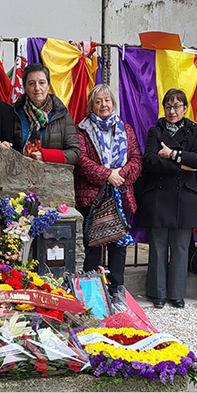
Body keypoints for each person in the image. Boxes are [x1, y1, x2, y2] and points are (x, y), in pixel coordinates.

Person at [139, 89, 197, 308]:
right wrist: (182, 165)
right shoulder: (155, 130)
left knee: (180, 246)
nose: (172, 111)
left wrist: (171, 154)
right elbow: (148, 161)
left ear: (185, 108)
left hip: (184, 196)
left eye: (177, 106)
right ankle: (157, 293)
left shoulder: (194, 130)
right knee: (158, 246)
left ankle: (176, 293)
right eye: (168, 106)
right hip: (158, 196)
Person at [74, 84, 142, 295]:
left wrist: (119, 176)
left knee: (118, 246)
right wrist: (107, 175)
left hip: (120, 195)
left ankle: (116, 290)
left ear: (113, 103)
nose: (103, 105)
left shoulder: (126, 129)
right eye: (98, 101)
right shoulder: (82, 130)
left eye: (107, 100)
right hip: (94, 197)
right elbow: (82, 161)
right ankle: (91, 292)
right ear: (91, 106)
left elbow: (136, 160)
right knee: (93, 246)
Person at [13, 63, 80, 164]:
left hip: (51, 176)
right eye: (31, 83)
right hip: (18, 175)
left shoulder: (61, 113)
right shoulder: (13, 112)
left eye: (42, 83)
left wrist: (46, 156)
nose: (37, 88)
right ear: (25, 88)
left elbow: (75, 153)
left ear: (48, 86)